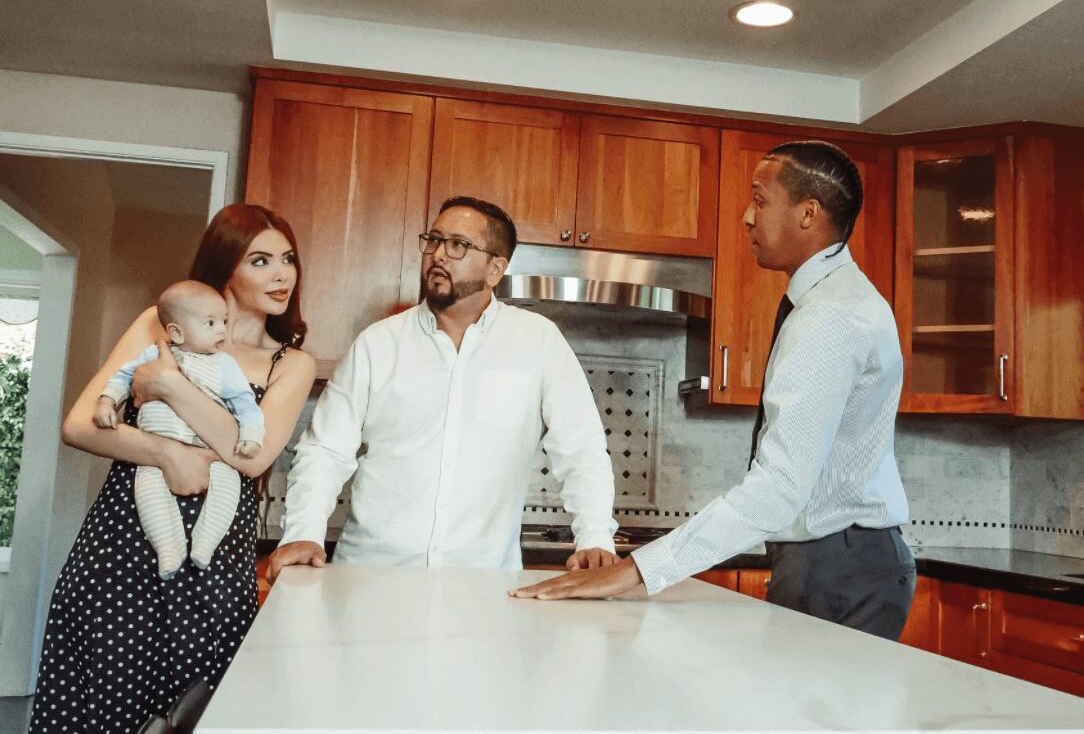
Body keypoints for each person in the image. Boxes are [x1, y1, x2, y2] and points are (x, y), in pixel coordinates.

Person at [511, 141, 916, 642]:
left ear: (808, 213)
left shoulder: (830, 318)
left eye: (761, 200)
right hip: (837, 561)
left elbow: (778, 490)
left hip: (841, 567)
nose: (747, 216)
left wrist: (634, 570)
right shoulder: (830, 303)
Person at [30, 204, 316, 734]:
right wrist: (167, 453)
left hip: (216, 566)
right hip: (121, 552)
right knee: (103, 716)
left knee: (199, 716)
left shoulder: (292, 364)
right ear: (225, 264)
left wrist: (169, 385)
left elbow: (250, 454)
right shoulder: (159, 323)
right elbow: (80, 424)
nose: (281, 275)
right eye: (260, 260)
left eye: (287, 259)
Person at [268, 196, 617, 582]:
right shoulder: (377, 344)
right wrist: (303, 532)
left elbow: (581, 449)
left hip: (482, 585)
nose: (438, 255)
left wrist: (595, 536)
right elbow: (325, 451)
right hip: (370, 576)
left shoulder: (538, 341)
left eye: (458, 245)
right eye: (433, 240)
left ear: (495, 269)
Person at [93, 280, 266, 578]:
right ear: (176, 331)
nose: (221, 330)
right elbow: (122, 377)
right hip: (152, 451)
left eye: (224, 322)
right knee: (148, 492)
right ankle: (167, 549)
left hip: (206, 452)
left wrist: (251, 435)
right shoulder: (154, 354)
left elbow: (245, 404)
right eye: (210, 323)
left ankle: (205, 545)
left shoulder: (225, 365)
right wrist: (107, 403)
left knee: (228, 486)